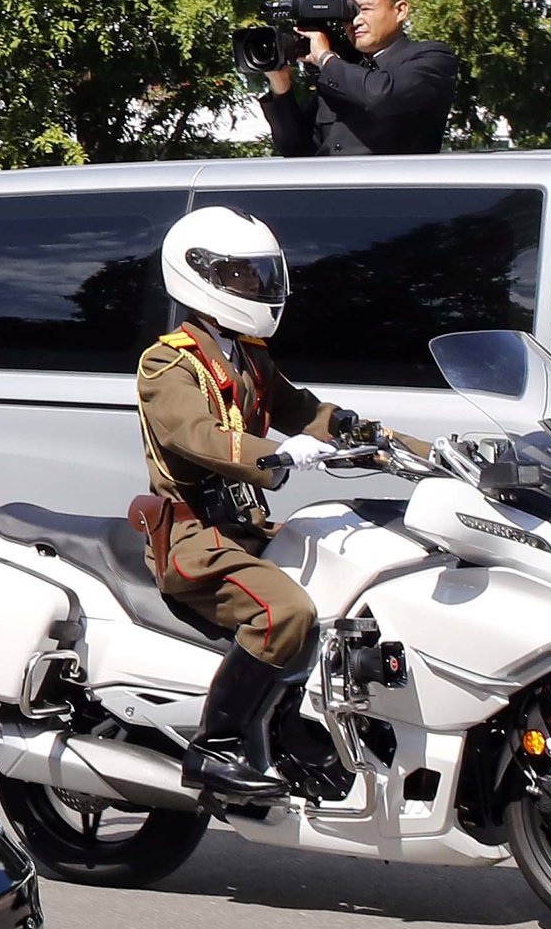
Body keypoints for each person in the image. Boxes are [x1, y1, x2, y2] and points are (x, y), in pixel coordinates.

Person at [137, 206, 409, 802]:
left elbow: (305, 410)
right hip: (196, 538)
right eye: (243, 276)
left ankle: (298, 729)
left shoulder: (248, 355)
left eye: (260, 276)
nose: (257, 289)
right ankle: (217, 748)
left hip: (246, 528)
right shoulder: (168, 362)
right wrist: (282, 457)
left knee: (355, 578)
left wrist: (392, 444)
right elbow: (198, 436)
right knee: (284, 613)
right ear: (199, 276)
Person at [258, 0, 456, 157]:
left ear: (400, 11)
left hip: (396, 188)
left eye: (365, 9)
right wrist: (280, 84)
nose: (355, 21)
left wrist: (327, 59)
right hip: (334, 189)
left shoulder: (433, 58)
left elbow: (381, 95)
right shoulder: (340, 68)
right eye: (348, 13)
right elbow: (297, 148)